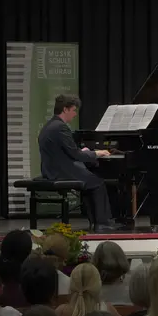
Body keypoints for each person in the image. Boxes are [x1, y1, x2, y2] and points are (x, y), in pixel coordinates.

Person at [38, 94, 115, 232]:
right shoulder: (61, 127)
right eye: (73, 110)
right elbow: (76, 155)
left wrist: (83, 151)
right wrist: (97, 153)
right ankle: (102, 224)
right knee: (97, 183)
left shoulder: (50, 125)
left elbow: (67, 151)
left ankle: (95, 222)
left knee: (89, 181)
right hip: (60, 172)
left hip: (51, 170)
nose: (75, 114)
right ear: (65, 109)